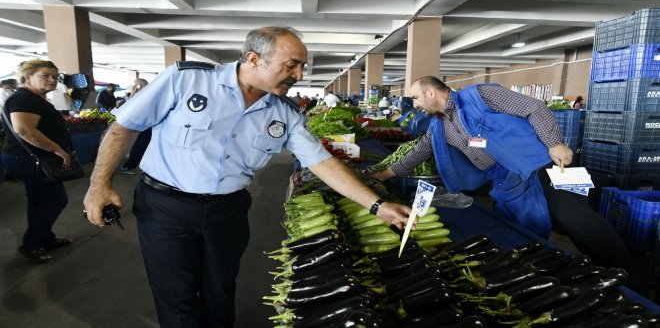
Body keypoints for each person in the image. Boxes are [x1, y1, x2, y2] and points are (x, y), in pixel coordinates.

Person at [83, 26, 412, 328]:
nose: (299, 74)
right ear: (254, 59)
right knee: (177, 294)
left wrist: (377, 204)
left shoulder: (283, 114)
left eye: (302, 67)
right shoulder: (186, 81)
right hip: (166, 207)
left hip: (228, 211)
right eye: (292, 65)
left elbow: (321, 162)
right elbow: (124, 126)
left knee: (220, 289)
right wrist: (99, 184)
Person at [370, 76, 643, 288]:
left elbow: (533, 107)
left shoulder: (481, 95)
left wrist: (555, 143)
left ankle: (631, 279)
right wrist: (384, 175)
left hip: (541, 166)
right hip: (505, 181)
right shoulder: (440, 126)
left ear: (431, 92)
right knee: (522, 232)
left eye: (416, 98)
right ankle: (554, 281)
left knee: (576, 221)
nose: (415, 105)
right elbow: (419, 152)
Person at [1, 60, 73, 263]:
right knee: (54, 200)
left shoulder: (33, 97)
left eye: (55, 76)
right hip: (27, 159)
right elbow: (23, 129)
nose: (52, 80)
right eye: (45, 75)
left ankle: (45, 238)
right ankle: (32, 244)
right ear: (27, 77)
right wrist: (57, 149)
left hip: (29, 158)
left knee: (39, 200)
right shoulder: (25, 99)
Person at [118, 78, 150, 174]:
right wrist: (132, 94)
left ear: (140, 86)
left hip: (145, 125)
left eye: (135, 85)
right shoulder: (139, 94)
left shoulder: (147, 95)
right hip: (140, 125)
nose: (133, 87)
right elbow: (127, 106)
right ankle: (132, 165)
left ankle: (130, 166)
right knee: (139, 145)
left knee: (139, 146)